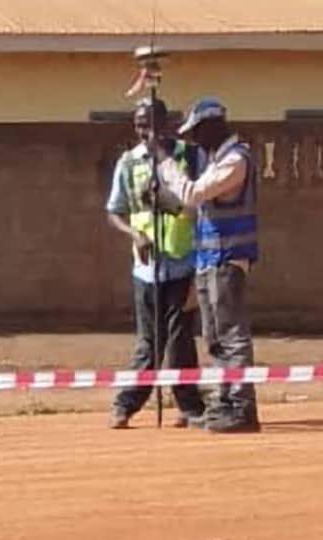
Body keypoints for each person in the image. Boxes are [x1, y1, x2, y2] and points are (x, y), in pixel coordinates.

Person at [156, 98, 261, 433]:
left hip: (228, 259)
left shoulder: (235, 161)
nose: (194, 140)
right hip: (209, 260)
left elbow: (193, 193)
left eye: (197, 132)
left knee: (232, 336)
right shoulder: (215, 160)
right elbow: (192, 204)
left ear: (214, 126)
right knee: (214, 337)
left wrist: (164, 163)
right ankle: (225, 401)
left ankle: (242, 407)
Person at [106, 97, 206, 429]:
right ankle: (126, 404)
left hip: (183, 262)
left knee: (180, 340)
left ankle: (190, 406)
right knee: (148, 341)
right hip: (146, 268)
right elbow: (115, 211)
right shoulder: (129, 162)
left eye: (149, 123)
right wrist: (135, 234)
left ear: (166, 124)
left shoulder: (189, 157)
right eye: (138, 124)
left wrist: (175, 206)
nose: (143, 131)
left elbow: (203, 206)